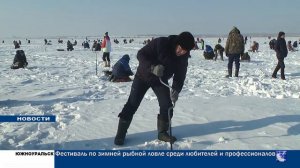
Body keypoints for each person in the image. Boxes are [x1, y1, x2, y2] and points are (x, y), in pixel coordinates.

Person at [114, 32, 195, 145]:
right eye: (180, 48)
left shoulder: (183, 57)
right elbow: (141, 54)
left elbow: (180, 75)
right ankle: (120, 134)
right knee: (132, 104)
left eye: (185, 51)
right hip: (143, 76)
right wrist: (152, 67)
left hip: (160, 81)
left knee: (167, 106)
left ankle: (162, 133)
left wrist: (176, 89)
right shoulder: (161, 43)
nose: (180, 52)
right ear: (177, 43)